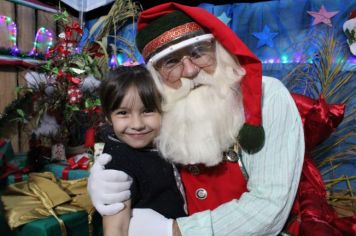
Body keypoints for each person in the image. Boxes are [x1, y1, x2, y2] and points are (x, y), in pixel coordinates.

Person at [88, 3, 305, 235]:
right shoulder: (162, 106)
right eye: (171, 61)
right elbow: (131, 145)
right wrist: (103, 180)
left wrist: (174, 230)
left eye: (198, 52)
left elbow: (269, 207)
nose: (190, 70)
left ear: (219, 49)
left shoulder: (267, 97)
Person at [98, 65, 186, 236]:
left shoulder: (163, 142)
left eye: (147, 111)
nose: (137, 124)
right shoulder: (118, 160)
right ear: (109, 117)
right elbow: (116, 228)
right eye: (123, 113)